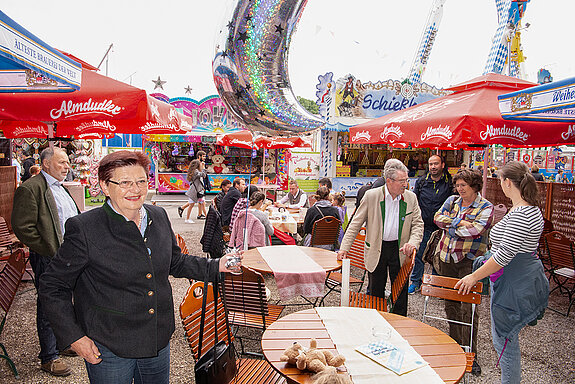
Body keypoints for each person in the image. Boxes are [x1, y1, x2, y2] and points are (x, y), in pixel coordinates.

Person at [38, 150, 240, 384]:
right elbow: (53, 285)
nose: (135, 189)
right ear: (105, 186)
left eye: (141, 181)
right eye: (124, 182)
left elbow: (175, 261)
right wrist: (74, 337)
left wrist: (216, 266)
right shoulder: (85, 228)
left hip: (156, 339)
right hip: (110, 345)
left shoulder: (158, 215)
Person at [456, 161, 547, 384]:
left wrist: (474, 276)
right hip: (514, 278)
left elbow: (504, 255)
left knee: (505, 341)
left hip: (512, 281)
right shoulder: (528, 209)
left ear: (507, 182)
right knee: (505, 340)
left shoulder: (521, 213)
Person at [12, 147, 80, 377]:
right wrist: (49, 249)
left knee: (66, 301)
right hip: (49, 257)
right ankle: (49, 356)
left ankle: (63, 343)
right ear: (46, 164)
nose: (67, 166)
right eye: (62, 162)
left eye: (68, 162)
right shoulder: (31, 188)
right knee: (49, 304)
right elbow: (23, 228)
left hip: (68, 257)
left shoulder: (60, 187)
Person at [337, 159, 423, 316]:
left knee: (400, 292)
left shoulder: (411, 198)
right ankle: (375, 323)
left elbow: (418, 225)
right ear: (389, 181)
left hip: (401, 249)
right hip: (377, 248)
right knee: (375, 290)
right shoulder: (372, 196)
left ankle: (399, 324)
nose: (406, 184)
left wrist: (413, 243)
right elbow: (355, 224)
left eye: (407, 180)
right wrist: (344, 248)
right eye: (402, 181)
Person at [433, 169, 494, 375]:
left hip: (469, 262)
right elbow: (437, 218)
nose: (460, 190)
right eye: (457, 185)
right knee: (450, 304)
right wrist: (459, 222)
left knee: (468, 309)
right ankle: (455, 344)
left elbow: (476, 230)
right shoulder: (452, 201)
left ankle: (470, 353)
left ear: (475, 186)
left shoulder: (486, 206)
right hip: (446, 258)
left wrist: (449, 225)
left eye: (464, 186)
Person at [408, 155, 454, 294]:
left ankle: (435, 284)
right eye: (431, 164)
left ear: (442, 165)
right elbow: (414, 201)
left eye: (436, 164)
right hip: (424, 225)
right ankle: (416, 282)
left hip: (441, 229)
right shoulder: (422, 181)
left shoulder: (449, 182)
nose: (433, 167)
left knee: (438, 257)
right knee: (419, 255)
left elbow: (454, 201)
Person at [179, 159, 206, 223]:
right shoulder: (196, 171)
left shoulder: (194, 171)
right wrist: (204, 168)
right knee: (191, 205)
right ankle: (187, 218)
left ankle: (207, 217)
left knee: (203, 203)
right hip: (195, 191)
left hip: (198, 190)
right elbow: (203, 175)